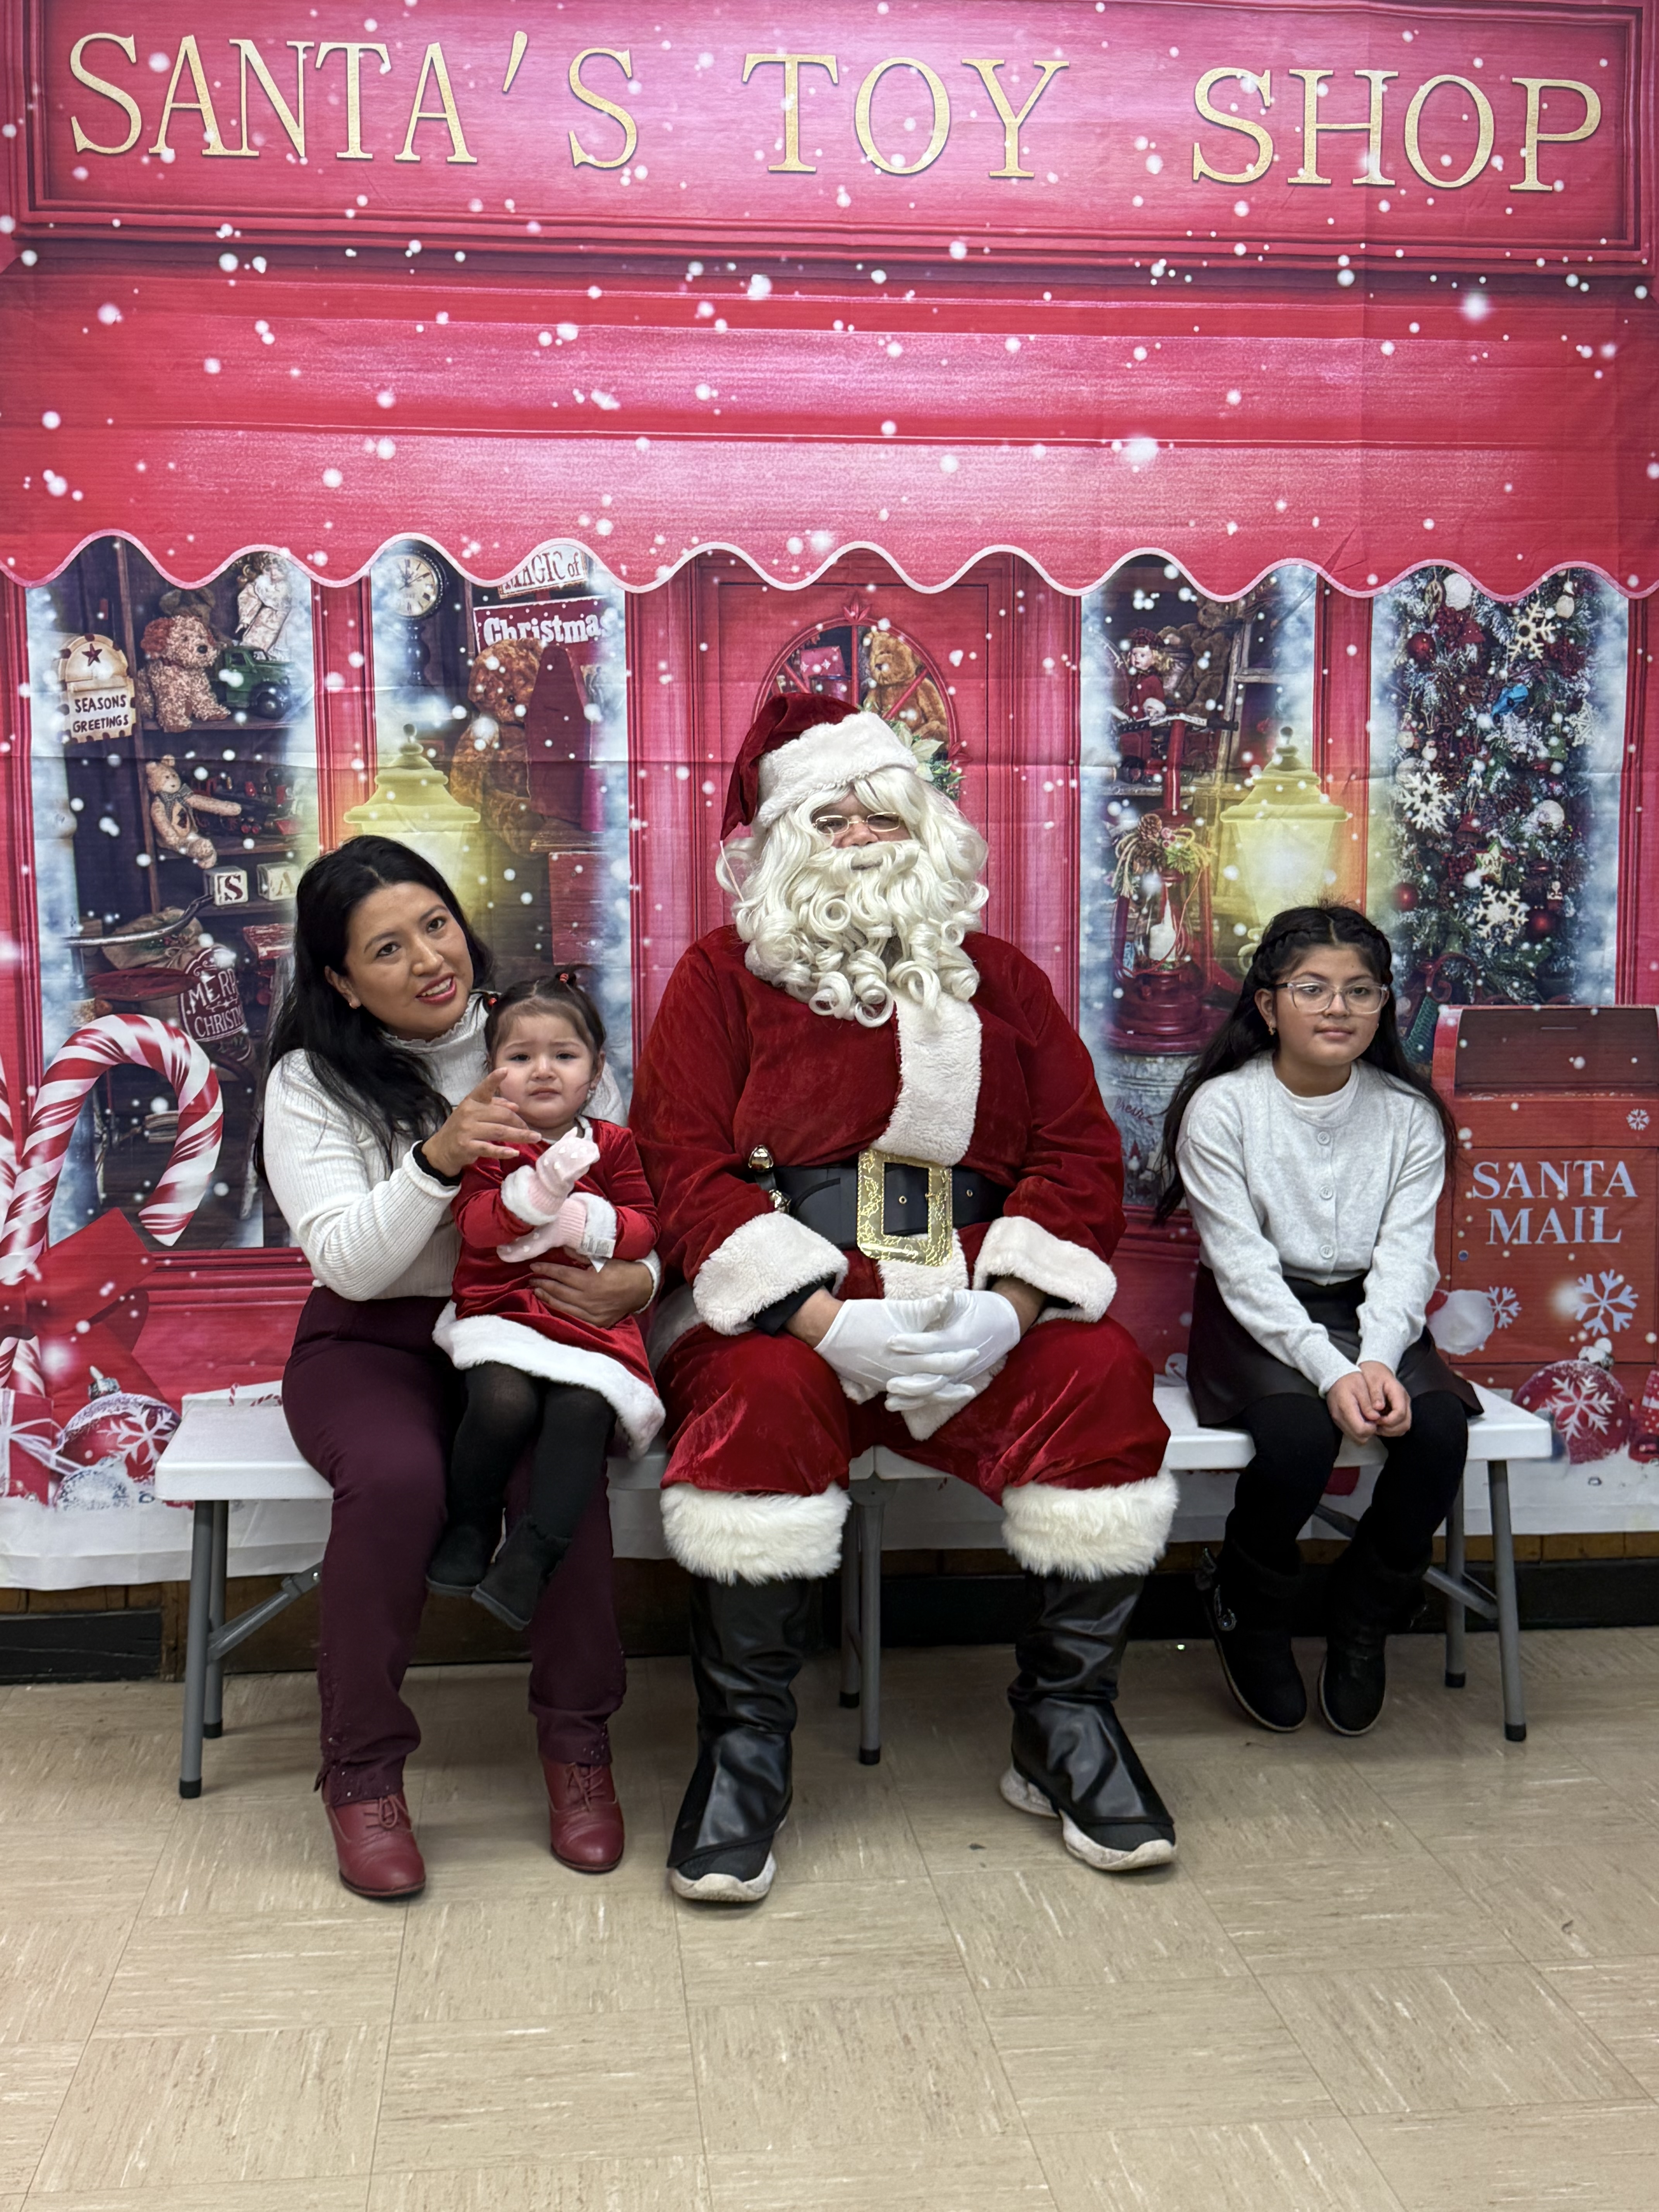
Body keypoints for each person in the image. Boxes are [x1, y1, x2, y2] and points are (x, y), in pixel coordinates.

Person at [631, 693, 1176, 1908]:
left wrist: (1015, 1308)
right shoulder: (720, 978)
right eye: (831, 816)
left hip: (975, 1302)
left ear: (929, 825)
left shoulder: (1006, 982)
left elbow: (1079, 1158)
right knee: (755, 1404)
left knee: (1097, 1381)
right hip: (795, 1314)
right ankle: (746, 1750)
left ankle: (1066, 1723)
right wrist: (823, 1318)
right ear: (778, 842)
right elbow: (684, 1164)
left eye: (885, 810)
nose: (864, 835)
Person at [263, 838, 658, 1899]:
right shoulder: (311, 1081)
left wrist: (644, 1280)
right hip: (374, 1341)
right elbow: (347, 1260)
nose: (429, 959)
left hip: (531, 1326)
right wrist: (437, 1162)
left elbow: (621, 1196)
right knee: (398, 1480)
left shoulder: (535, 1034)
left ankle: (579, 1751)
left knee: (556, 1476)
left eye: (435, 923)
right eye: (386, 949)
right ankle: (362, 1774)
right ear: (341, 980)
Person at [1156, 903, 1478, 1738]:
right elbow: (1243, 1268)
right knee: (1299, 1440)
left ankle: (1365, 1613)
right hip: (1257, 1312)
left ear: (1384, 1008)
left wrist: (1376, 1359)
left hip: (1375, 1310)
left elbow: (1408, 1258)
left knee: (1438, 1433)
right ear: (1268, 1006)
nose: (1338, 1009)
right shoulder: (1222, 1110)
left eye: (1360, 992)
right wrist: (1332, 1373)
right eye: (1312, 989)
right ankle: (1247, 1604)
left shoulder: (1410, 1116)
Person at [429, 975, 663, 1634]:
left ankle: (534, 1554)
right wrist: (529, 1199)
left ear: (594, 1073)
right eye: (520, 1057)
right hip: (504, 1310)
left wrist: (588, 1221)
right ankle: (471, 1522)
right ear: (492, 1072)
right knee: (503, 1403)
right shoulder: (489, 1143)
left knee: (583, 1409)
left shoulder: (612, 1147)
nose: (542, 1072)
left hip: (592, 1326)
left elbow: (646, 1225)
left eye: (564, 1056)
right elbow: (475, 1226)